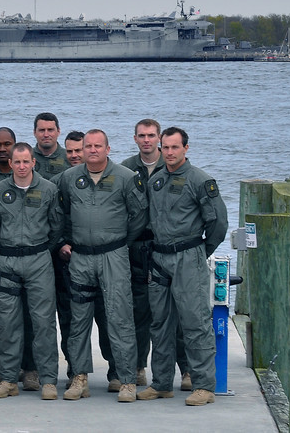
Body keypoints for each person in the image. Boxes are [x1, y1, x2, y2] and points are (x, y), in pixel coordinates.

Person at [137, 127, 228, 406]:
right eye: (165, 147)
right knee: (160, 323)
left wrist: (200, 252)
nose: (170, 152)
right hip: (160, 258)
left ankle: (204, 385)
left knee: (195, 322)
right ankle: (162, 383)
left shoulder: (200, 180)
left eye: (175, 147)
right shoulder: (156, 180)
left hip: (189, 257)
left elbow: (218, 223)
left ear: (186, 148)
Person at [55, 129, 148, 403]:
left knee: (120, 317)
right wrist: (67, 241)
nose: (92, 150)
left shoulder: (126, 178)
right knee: (79, 319)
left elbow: (139, 215)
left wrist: (120, 242)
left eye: (98, 146)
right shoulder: (69, 178)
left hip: (114, 256)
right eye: (88, 146)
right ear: (81, 150)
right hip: (80, 258)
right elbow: (62, 213)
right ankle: (79, 376)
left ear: (108, 149)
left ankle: (127, 379)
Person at [0, 142, 63, 400]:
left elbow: (56, 227)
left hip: (39, 259)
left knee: (43, 323)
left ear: (34, 162)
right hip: (8, 260)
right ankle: (9, 379)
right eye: (16, 162)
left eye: (25, 161)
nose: (21, 166)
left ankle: (49, 380)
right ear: (10, 163)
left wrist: (40, 249)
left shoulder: (49, 189)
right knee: (7, 323)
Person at [121, 118, 191, 389]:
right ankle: (139, 367)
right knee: (139, 312)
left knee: (178, 314)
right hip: (138, 246)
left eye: (152, 135)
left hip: (168, 246)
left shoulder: (172, 165)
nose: (147, 140)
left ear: (160, 139)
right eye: (142, 135)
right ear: (135, 138)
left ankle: (186, 370)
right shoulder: (126, 169)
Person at [51, 131, 119, 392]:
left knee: (108, 316)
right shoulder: (62, 181)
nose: (75, 155)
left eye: (79, 150)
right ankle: (75, 372)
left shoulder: (112, 177)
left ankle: (115, 371)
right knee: (72, 321)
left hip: (105, 258)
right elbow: (54, 218)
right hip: (70, 259)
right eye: (69, 151)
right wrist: (61, 244)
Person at [33, 112, 70, 178]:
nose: (46, 135)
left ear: (58, 131)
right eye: (42, 130)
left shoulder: (69, 157)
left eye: (50, 130)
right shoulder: (27, 157)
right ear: (35, 132)